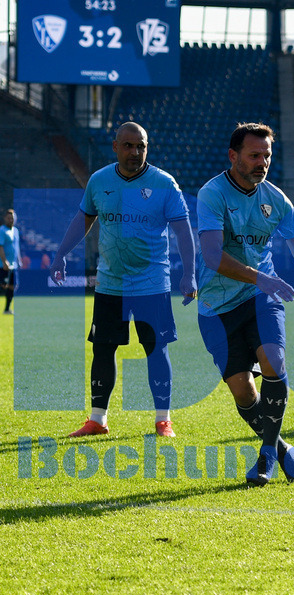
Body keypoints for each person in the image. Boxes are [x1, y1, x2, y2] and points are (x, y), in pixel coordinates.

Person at [196, 122, 294, 487]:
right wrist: (263, 277)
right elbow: (213, 257)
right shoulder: (212, 194)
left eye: (267, 156)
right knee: (243, 390)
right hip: (216, 306)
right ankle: (279, 448)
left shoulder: (276, 200)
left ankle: (264, 456)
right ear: (233, 156)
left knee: (273, 363)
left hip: (261, 297)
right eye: (254, 155)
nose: (262, 162)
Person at [50, 122, 196, 438]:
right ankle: (97, 420)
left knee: (156, 349)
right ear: (115, 146)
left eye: (140, 146)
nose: (135, 152)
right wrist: (61, 253)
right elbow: (84, 218)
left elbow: (183, 230)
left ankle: (163, 421)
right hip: (110, 284)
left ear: (147, 147)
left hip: (152, 285)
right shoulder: (99, 180)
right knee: (103, 349)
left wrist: (189, 273)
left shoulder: (164, 183)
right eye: (128, 145)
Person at [0, 208, 20, 315]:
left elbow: (16, 247)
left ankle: (7, 309)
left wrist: (19, 260)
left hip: (14, 265)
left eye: (12, 218)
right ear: (5, 219)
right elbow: (1, 247)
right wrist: (4, 262)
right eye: (8, 218)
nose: (10, 220)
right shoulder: (2, 230)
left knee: (13, 286)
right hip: (3, 264)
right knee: (3, 285)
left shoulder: (16, 231)